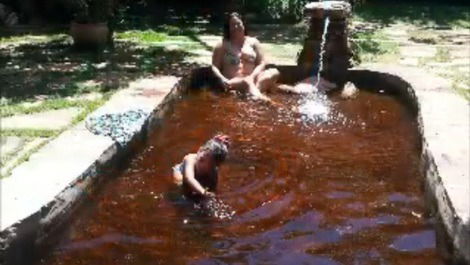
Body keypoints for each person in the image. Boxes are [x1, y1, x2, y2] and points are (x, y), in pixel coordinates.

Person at [211, 12, 280, 102]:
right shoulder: (223, 45)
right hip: (233, 81)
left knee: (274, 72)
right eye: (232, 25)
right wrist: (222, 79)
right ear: (228, 28)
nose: (236, 27)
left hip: (253, 79)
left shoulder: (254, 42)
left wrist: (253, 76)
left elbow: (262, 63)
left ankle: (253, 92)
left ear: (243, 24)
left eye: (238, 24)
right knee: (246, 82)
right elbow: (214, 66)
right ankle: (269, 103)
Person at [173, 134, 230, 203]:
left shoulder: (213, 173)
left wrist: (210, 196)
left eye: (207, 164)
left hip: (198, 177)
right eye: (201, 160)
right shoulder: (190, 158)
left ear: (213, 166)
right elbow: (189, 178)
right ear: (199, 150)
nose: (201, 166)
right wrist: (203, 192)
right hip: (182, 172)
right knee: (180, 183)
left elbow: (213, 189)